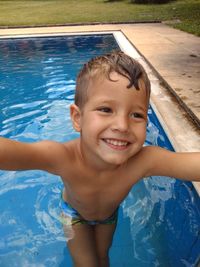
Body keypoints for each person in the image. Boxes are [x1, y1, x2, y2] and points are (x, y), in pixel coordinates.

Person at [0, 51, 199, 267]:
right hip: (72, 215)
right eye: (106, 109)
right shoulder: (63, 157)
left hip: (108, 216)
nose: (122, 126)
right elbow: (13, 153)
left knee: (103, 258)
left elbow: (190, 165)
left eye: (137, 115)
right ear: (78, 118)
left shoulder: (144, 161)